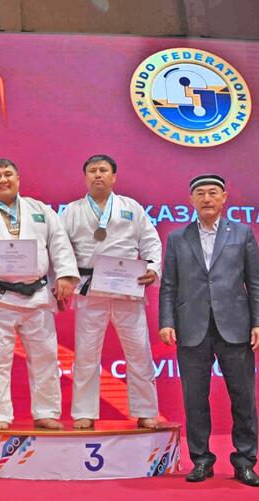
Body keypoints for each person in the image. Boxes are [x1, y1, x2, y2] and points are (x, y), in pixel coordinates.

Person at [0, 159, 79, 430]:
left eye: (8, 174)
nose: (3, 179)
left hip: (37, 295)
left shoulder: (40, 210)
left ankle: (46, 412)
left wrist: (65, 275)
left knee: (45, 357)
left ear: (18, 179)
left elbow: (59, 244)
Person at [159, 174, 259, 486]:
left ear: (224, 198)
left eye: (212, 193)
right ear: (191, 200)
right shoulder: (177, 238)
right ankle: (201, 460)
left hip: (235, 327)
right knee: (194, 399)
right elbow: (169, 285)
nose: (206, 198)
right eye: (200, 194)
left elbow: (255, 282)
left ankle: (245, 461)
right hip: (191, 327)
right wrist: (166, 321)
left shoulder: (242, 233)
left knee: (243, 397)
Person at [60, 154, 161, 430]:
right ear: (85, 178)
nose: (98, 174)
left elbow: (150, 241)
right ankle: (84, 412)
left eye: (103, 170)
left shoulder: (131, 207)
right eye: (92, 170)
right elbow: (60, 246)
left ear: (114, 177)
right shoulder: (72, 211)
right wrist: (65, 276)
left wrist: (153, 268)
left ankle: (146, 411)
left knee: (139, 351)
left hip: (128, 288)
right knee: (86, 354)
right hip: (90, 289)